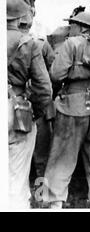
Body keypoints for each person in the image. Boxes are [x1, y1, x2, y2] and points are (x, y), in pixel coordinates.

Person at [43, 12, 90, 209]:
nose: (70, 28)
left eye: (72, 24)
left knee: (62, 155)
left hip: (72, 105)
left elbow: (56, 75)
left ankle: (54, 201)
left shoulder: (71, 43)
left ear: (81, 27)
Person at [7, 0, 53, 208]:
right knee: (20, 169)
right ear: (19, 18)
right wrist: (36, 111)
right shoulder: (31, 43)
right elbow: (45, 88)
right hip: (18, 107)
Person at [18, 12, 56, 179]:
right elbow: (51, 71)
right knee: (42, 147)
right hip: (36, 100)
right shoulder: (41, 44)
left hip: (18, 99)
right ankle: (42, 187)